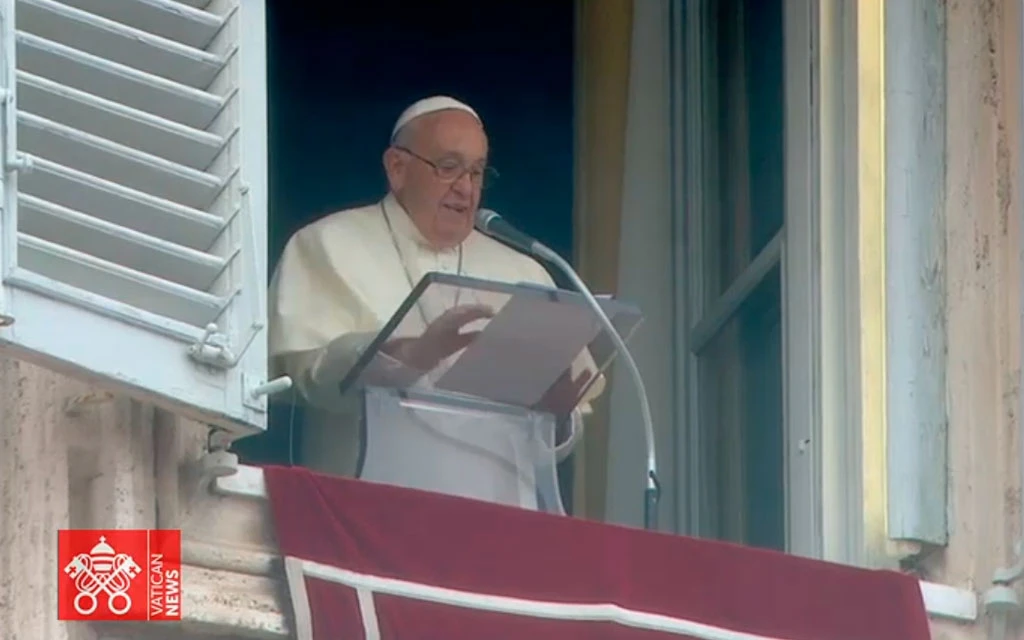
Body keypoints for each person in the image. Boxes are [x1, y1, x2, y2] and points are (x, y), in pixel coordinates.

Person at [267, 96, 605, 494]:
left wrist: (557, 414)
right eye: (449, 168)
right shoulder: (328, 243)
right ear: (397, 168)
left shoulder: (525, 273)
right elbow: (306, 377)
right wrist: (400, 358)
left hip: (497, 517)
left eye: (477, 173)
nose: (465, 188)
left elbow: (550, 447)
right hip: (366, 509)